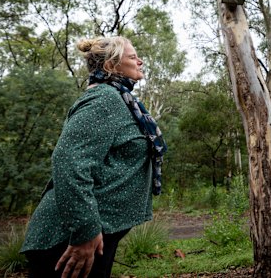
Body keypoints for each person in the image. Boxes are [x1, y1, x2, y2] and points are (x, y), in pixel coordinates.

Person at [20, 36, 167, 278]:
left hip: (94, 234)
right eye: (132, 57)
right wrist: (85, 231)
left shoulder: (121, 100)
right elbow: (69, 162)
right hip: (69, 240)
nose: (140, 61)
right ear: (110, 66)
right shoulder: (104, 99)